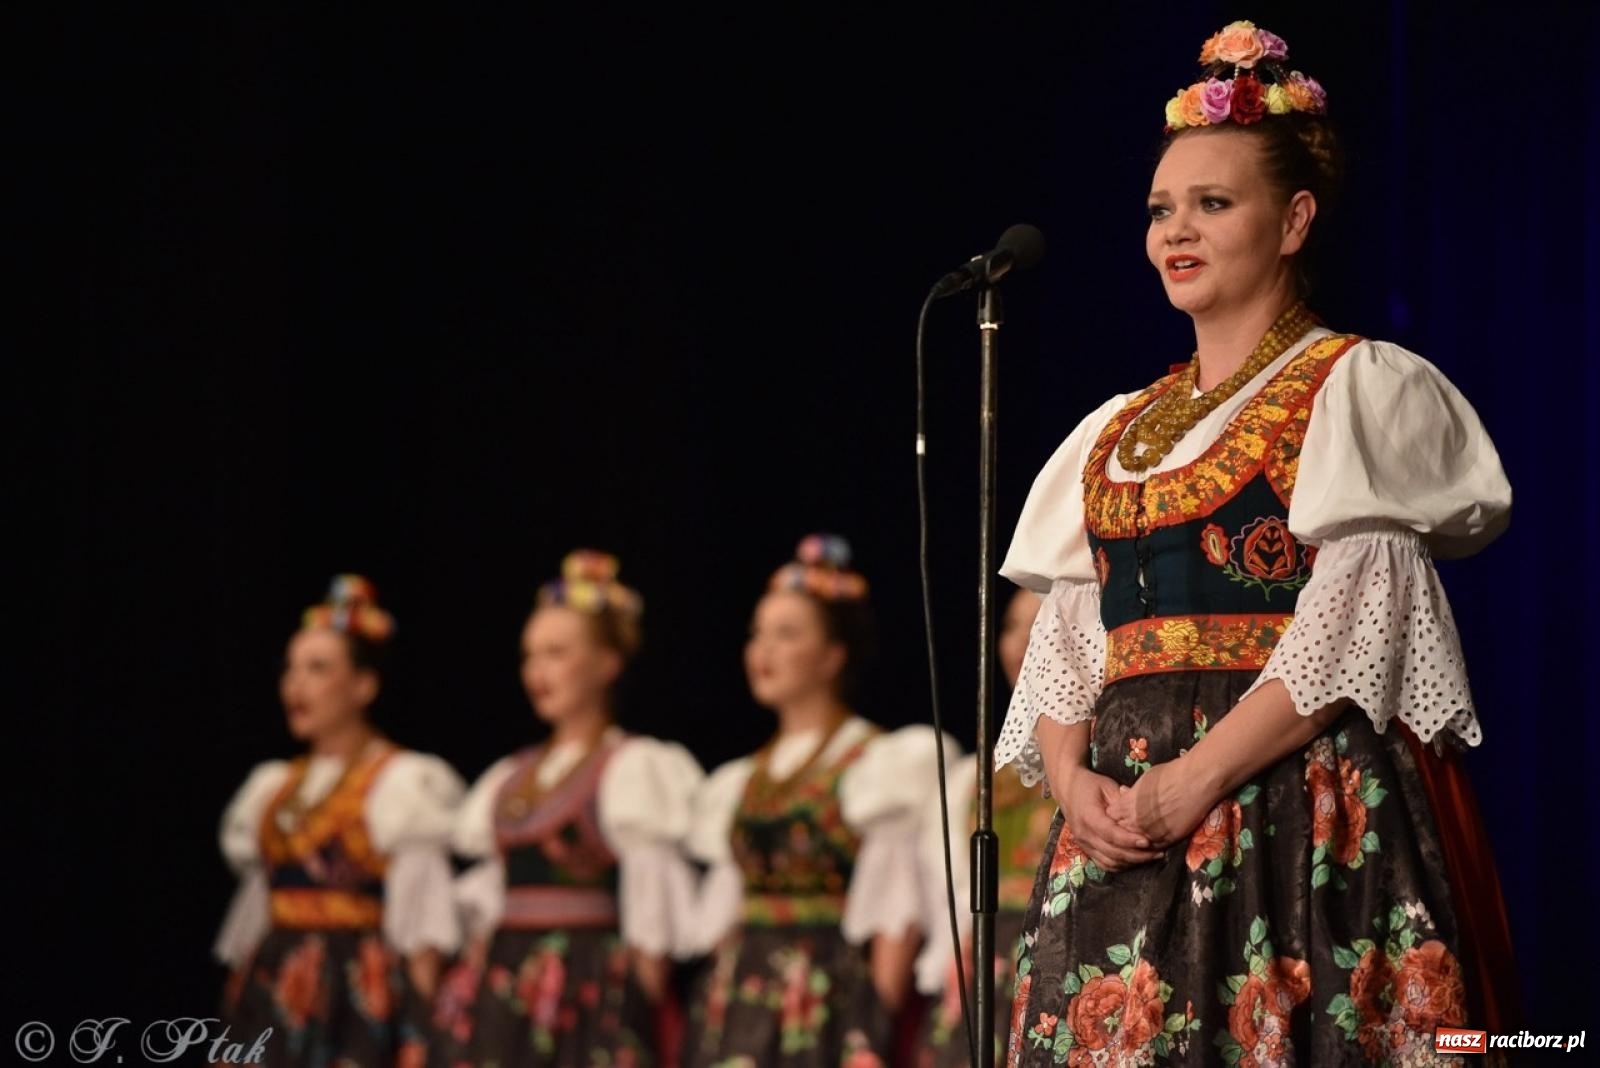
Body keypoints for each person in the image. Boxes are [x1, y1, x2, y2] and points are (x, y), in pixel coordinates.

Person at [994, 21, 1517, 1065]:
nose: (1174, 230)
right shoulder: (1115, 429)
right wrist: (1069, 780)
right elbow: (1066, 635)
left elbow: (1348, 628)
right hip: (1119, 820)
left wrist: (1194, 782)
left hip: (1285, 797)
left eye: (1211, 204)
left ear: (1293, 220)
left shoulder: (1352, 386)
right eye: (1160, 209)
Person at [682, 534, 954, 1067]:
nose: (764, 650)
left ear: (833, 654)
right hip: (739, 996)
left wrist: (869, 1035)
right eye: (757, 633)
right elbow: (727, 911)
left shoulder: (875, 765)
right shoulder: (743, 778)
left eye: (787, 634)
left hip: (827, 996)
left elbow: (893, 916)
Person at [433, 550, 703, 1066]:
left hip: (587, 988)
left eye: (557, 653)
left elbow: (651, 913)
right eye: (530, 655)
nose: (538, 671)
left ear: (607, 662)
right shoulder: (512, 776)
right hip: (502, 989)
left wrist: (639, 1019)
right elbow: (489, 899)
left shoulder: (631, 767)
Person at [214, 574, 465, 1066]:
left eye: (318, 669)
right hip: (271, 994)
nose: (296, 685)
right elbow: (252, 925)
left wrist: (419, 1040)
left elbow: (422, 934)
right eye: (291, 669)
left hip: (355, 995)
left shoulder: (400, 784)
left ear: (363, 684)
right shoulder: (274, 789)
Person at [915, 587, 1060, 1066]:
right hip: (988, 969)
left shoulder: (1108, 759)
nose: (1021, 643)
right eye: (1011, 627)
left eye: (1039, 625)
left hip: (1064, 954)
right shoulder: (974, 778)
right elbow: (953, 896)